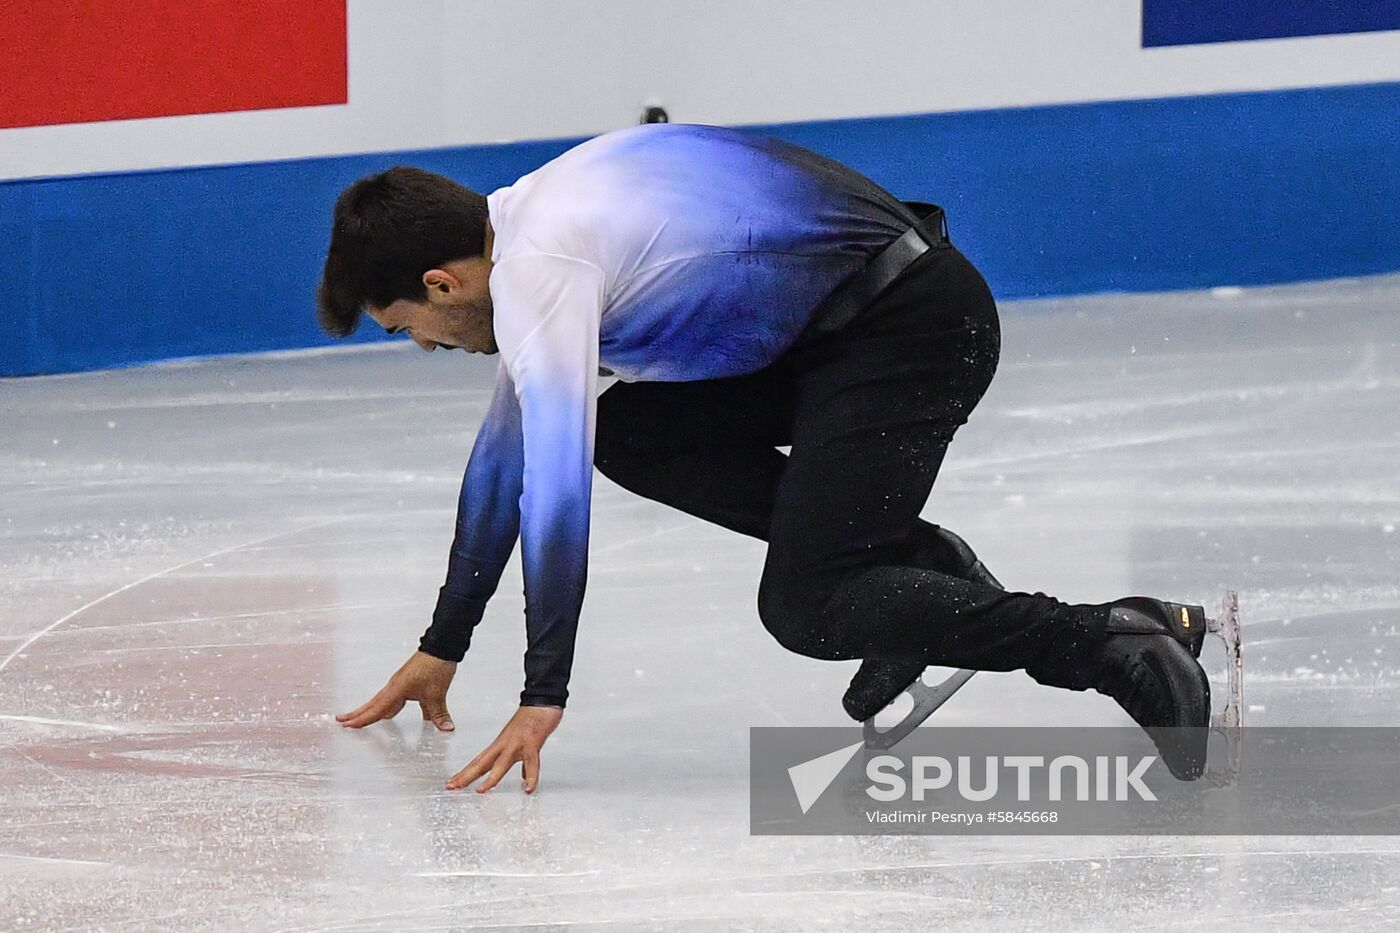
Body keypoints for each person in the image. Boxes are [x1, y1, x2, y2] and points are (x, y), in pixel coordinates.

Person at [318, 123, 1212, 794]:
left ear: (442, 283)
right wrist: (445, 646)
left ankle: (1104, 641)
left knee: (809, 606)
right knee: (628, 431)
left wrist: (542, 691)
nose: (427, 347)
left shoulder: (537, 268)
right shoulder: (528, 224)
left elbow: (552, 500)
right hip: (834, 337)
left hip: (912, 332)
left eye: (409, 329)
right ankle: (918, 573)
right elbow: (501, 471)